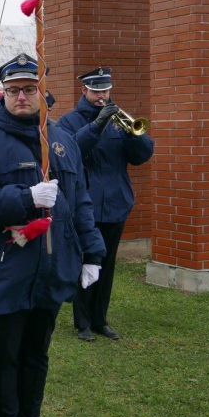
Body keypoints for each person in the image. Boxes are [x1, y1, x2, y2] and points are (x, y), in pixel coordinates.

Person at [0, 53, 106, 417]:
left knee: (36, 357)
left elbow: (80, 200)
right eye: (13, 90)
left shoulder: (61, 140)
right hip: (6, 271)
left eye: (29, 89)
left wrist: (92, 252)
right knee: (3, 362)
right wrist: (25, 198)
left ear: (42, 92)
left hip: (50, 272)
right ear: (3, 94)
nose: (21, 96)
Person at [57, 67, 155, 342]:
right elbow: (71, 153)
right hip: (85, 205)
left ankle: (100, 319)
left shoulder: (118, 120)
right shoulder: (69, 121)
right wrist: (96, 125)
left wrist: (134, 135)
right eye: (96, 90)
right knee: (86, 260)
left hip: (116, 203)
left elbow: (142, 156)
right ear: (84, 91)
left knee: (107, 264)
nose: (101, 95)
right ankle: (83, 322)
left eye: (105, 90)